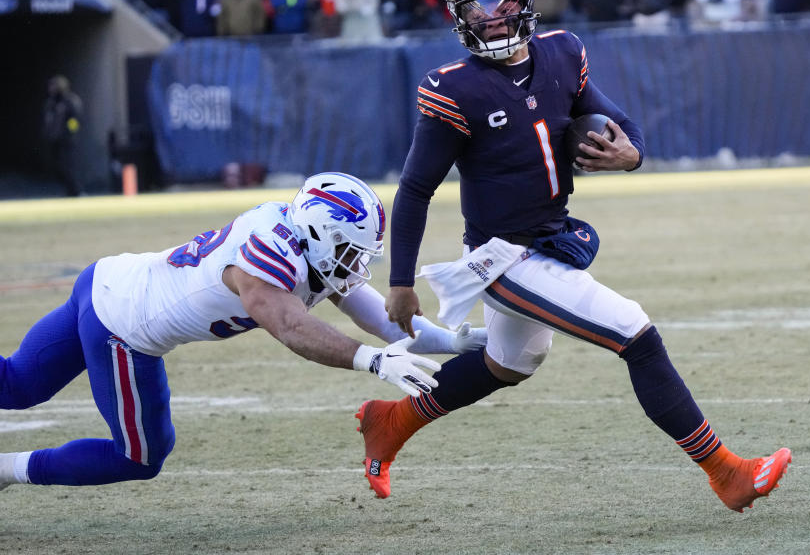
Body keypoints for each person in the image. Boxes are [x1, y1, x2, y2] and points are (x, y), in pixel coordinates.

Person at [357, 0, 792, 511]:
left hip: (549, 238)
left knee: (510, 363)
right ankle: (726, 471)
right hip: (502, 258)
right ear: (459, 15)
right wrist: (399, 281)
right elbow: (416, 188)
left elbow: (618, 121)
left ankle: (389, 422)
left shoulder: (562, 52)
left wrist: (630, 154)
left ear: (525, 4)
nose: (490, 16)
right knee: (636, 333)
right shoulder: (454, 88)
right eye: (477, 7)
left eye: (501, 3)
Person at [0, 173, 486, 490]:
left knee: (18, 384)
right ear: (322, 236)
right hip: (120, 328)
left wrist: (440, 338)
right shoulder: (266, 255)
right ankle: (7, 470)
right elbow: (291, 326)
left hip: (106, 277)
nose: (357, 265)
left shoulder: (299, 238)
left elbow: (371, 311)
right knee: (140, 456)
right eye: (352, 251)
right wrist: (373, 361)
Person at [42, 76, 85, 196]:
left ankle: (76, 191)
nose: (50, 89)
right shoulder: (51, 103)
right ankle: (68, 190)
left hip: (67, 140)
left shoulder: (70, 101)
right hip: (54, 140)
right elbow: (48, 120)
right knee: (57, 167)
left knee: (69, 166)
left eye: (53, 86)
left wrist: (71, 134)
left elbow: (74, 120)